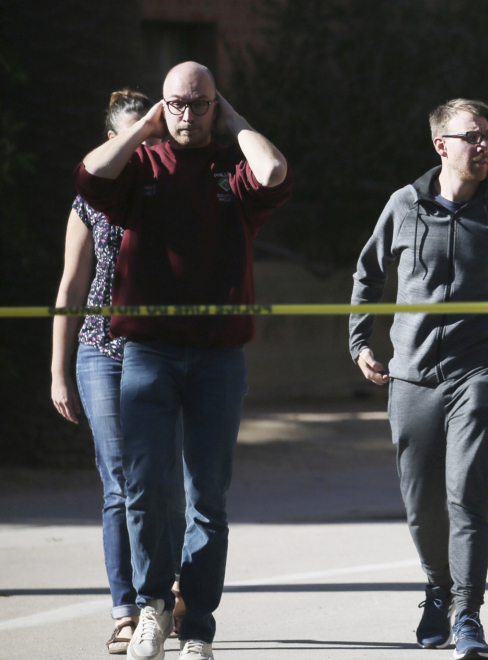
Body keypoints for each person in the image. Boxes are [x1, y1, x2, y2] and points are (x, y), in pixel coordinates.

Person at [74, 62, 291, 660]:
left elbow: (273, 172)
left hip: (219, 359)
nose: (186, 115)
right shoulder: (139, 166)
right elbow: (91, 172)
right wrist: (144, 126)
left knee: (208, 497)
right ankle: (151, 607)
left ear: (215, 107)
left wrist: (237, 121)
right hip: (148, 353)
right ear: (161, 107)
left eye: (199, 104)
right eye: (175, 104)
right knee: (144, 486)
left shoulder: (232, 169)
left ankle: (197, 626)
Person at [349, 98, 488, 660]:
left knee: (468, 494)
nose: (483, 145)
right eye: (471, 136)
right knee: (421, 501)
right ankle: (437, 587)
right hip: (410, 375)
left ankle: (468, 612)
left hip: (480, 370)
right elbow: (368, 274)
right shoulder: (404, 205)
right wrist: (361, 342)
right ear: (442, 145)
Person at [51, 89, 187, 655]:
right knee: (119, 483)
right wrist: (58, 372)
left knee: (161, 479)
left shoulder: (174, 194)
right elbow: (71, 288)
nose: (146, 146)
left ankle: (170, 597)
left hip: (160, 351)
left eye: (153, 137)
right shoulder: (90, 203)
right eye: (135, 136)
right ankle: (127, 609)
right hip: (99, 352)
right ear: (113, 140)